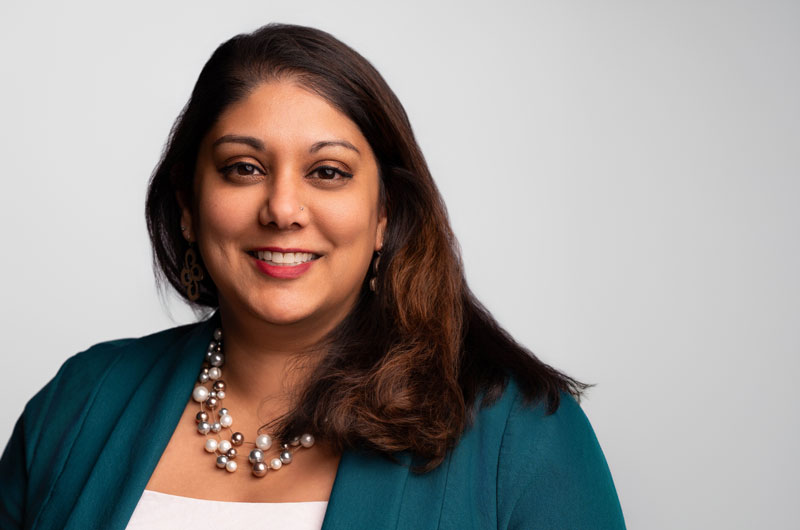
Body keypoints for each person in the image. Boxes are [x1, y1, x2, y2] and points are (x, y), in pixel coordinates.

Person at [0, 23, 625, 529]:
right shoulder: (79, 402)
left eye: (328, 173)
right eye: (243, 168)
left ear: (384, 215)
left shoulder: (523, 436)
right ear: (189, 206)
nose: (283, 209)